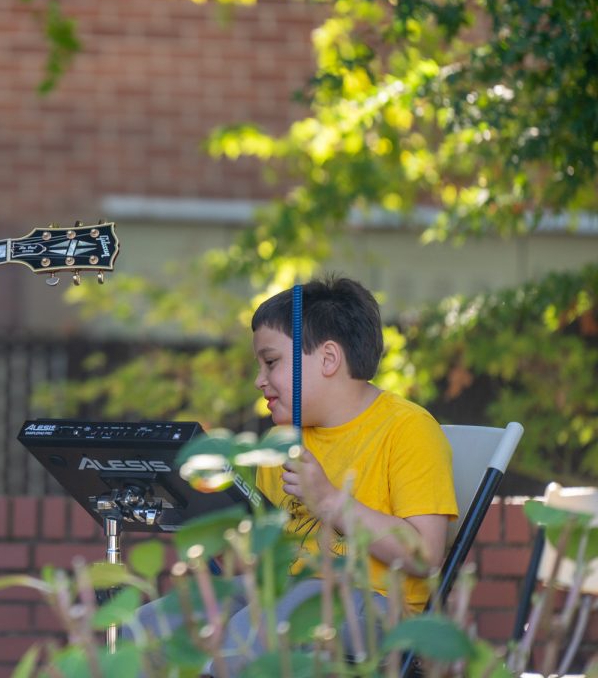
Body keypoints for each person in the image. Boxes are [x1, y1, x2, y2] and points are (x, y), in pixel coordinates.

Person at [138, 276, 458, 671]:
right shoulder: (281, 441)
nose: (259, 381)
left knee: (251, 636)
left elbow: (425, 555)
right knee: (150, 628)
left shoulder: (408, 429)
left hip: (378, 610)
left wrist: (328, 501)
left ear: (328, 359)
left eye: (271, 362)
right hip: (284, 597)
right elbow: (266, 565)